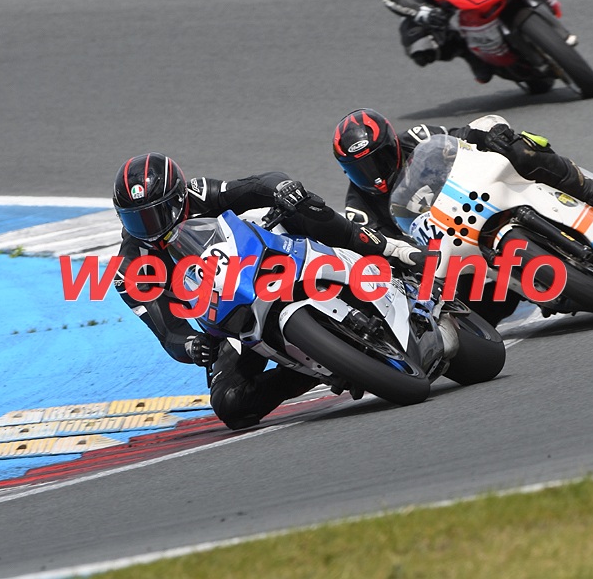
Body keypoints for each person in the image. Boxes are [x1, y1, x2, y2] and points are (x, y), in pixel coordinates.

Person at [112, 153, 424, 430]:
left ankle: (387, 249)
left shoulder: (198, 194)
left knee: (300, 205)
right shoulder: (130, 270)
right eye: (135, 220)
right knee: (230, 404)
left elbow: (256, 185)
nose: (149, 228)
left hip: (259, 258)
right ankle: (322, 368)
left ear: (178, 199)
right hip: (226, 318)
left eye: (156, 214)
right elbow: (168, 332)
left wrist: (282, 188)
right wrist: (192, 345)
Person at [333, 108, 593, 325]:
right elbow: (381, 248)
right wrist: (415, 258)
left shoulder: (418, 136)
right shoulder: (358, 209)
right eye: (361, 169)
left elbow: (461, 139)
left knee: (516, 146)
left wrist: (487, 134)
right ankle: (539, 288)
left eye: (379, 159)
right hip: (451, 260)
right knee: (471, 316)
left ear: (393, 144)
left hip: (475, 200)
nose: (374, 174)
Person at [369, 0, 560, 84]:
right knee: (419, 45)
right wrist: (421, 11)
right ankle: (469, 53)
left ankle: (540, 5)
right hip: (436, 2)